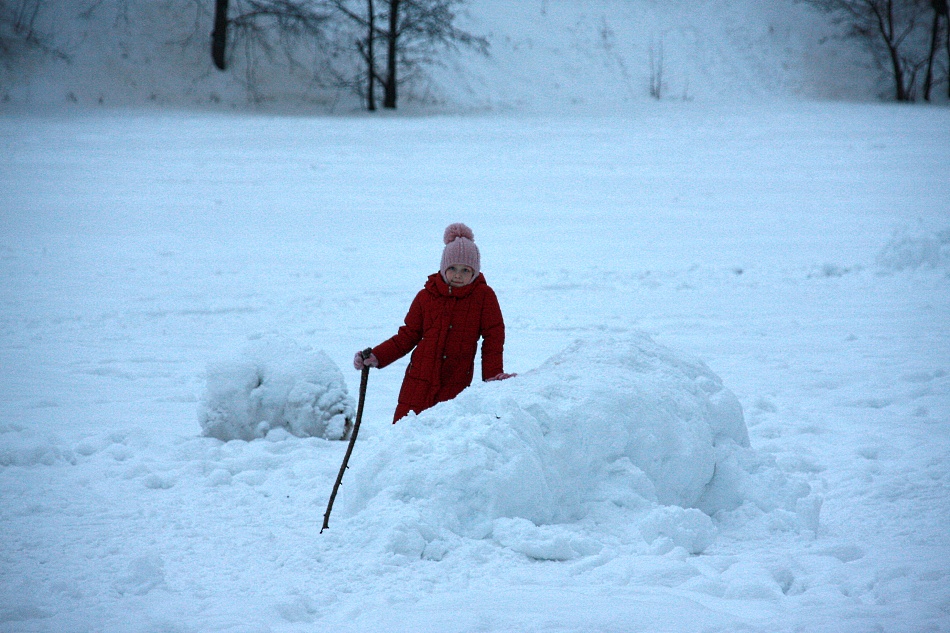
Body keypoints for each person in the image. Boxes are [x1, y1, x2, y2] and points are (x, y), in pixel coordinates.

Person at [354, 223, 515, 422]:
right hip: (418, 380)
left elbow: (493, 338)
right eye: (453, 268)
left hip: (455, 381)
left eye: (466, 270)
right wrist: (378, 356)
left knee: (442, 435)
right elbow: (407, 335)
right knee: (405, 432)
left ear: (475, 272)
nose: (458, 275)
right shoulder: (426, 296)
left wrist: (493, 376)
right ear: (443, 267)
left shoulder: (483, 297)